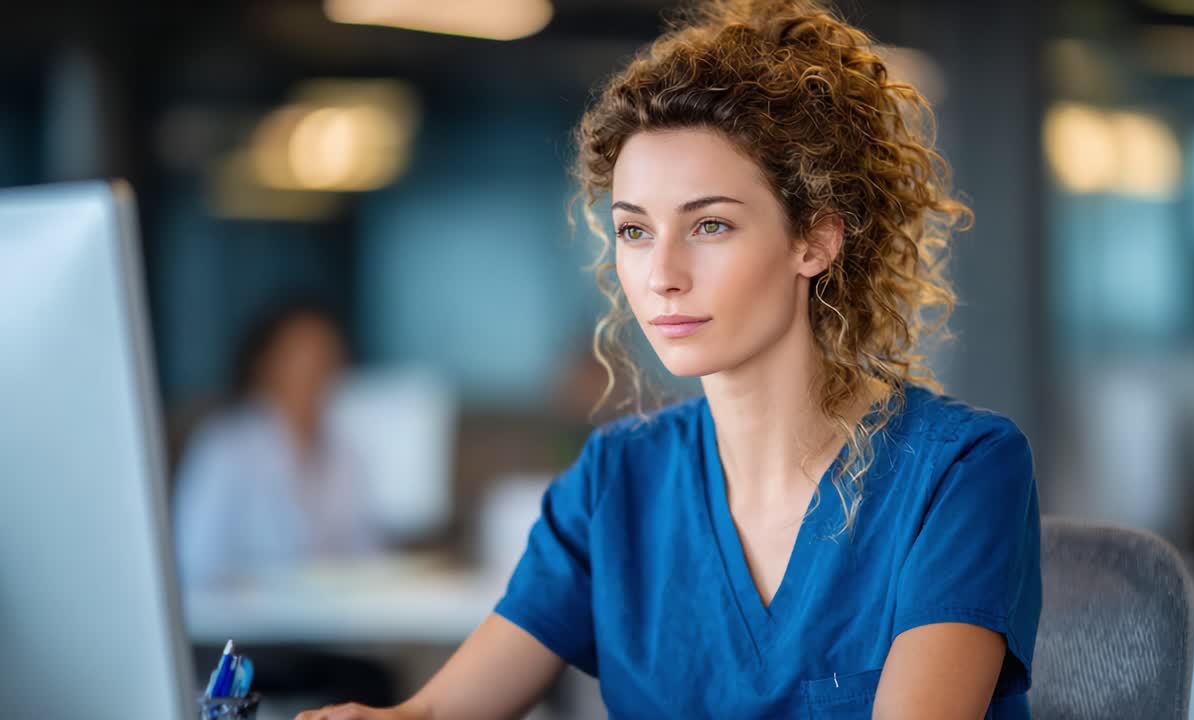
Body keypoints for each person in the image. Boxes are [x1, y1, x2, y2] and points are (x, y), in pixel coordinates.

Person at [298, 0, 1041, 717]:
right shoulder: (616, 483)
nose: (662, 275)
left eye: (710, 225)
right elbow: (432, 714)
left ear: (814, 240)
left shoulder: (961, 472)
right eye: (634, 231)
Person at [174, 300, 382, 589]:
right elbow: (195, 560)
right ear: (265, 363)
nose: (314, 371)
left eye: (326, 358)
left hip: (331, 612)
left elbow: (367, 556)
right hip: (244, 615)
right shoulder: (225, 447)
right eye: (301, 356)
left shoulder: (346, 452)